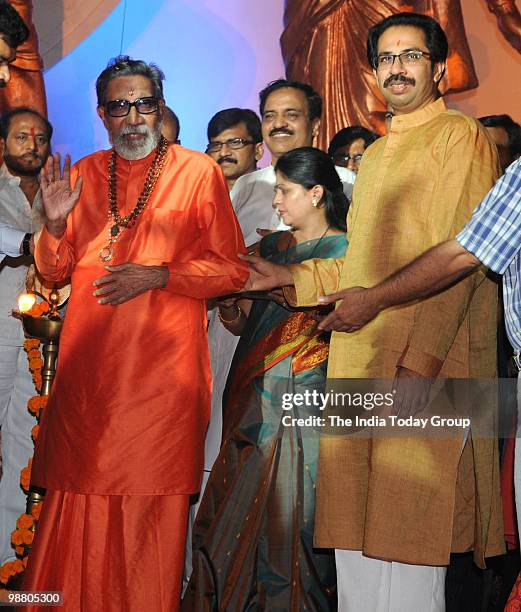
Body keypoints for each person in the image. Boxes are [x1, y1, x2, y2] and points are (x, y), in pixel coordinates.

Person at [242, 13, 504, 611]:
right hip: (361, 361)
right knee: (358, 551)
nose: (397, 68)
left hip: (422, 366)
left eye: (411, 55)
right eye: (386, 58)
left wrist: (422, 363)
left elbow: (460, 260)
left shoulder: (459, 138)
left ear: (439, 68)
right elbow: (361, 264)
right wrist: (289, 275)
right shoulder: (379, 154)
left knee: (409, 549)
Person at [21, 56, 248, 612]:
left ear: (161, 107)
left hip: (160, 376)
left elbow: (233, 269)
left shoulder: (199, 173)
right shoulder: (82, 175)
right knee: (78, 496)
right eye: (119, 106)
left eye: (144, 103)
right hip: (90, 373)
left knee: (151, 503)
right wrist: (52, 227)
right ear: (102, 114)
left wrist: (163, 275)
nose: (133, 117)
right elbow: (53, 272)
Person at [183, 147, 348, 611]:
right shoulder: (271, 247)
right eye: (275, 189)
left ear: (316, 194)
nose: (276, 201)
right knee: (231, 509)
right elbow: (238, 323)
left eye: (285, 191)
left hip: (305, 395)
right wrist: (230, 299)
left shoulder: (347, 251)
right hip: (251, 396)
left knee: (293, 514)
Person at [0, 108, 51, 565]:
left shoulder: (60, 193)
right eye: (21, 136)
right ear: (3, 144)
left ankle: (8, 564)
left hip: (41, 343)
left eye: (39, 137)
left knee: (25, 447)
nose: (31, 144)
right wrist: (32, 243)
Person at [231, 79, 355, 236]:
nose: (278, 124)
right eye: (269, 116)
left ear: (315, 126)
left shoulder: (344, 180)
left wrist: (290, 245)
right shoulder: (247, 185)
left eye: (291, 115)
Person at [205, 107, 263, 191]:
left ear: (258, 151)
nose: (223, 153)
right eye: (216, 145)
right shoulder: (199, 196)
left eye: (234, 143)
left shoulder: (275, 194)